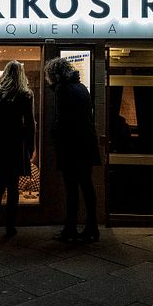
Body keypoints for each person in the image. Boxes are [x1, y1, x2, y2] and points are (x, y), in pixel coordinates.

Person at [44, 57, 102, 242]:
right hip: (87, 143)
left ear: (54, 74)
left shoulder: (62, 88)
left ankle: (70, 229)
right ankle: (92, 227)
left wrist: (54, 136)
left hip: (71, 145)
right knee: (86, 185)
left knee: (71, 189)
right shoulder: (82, 87)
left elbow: (61, 119)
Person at [0, 60, 35, 243]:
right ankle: (10, 227)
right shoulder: (25, 94)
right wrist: (30, 147)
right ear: (20, 74)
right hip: (15, 145)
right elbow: (29, 124)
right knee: (12, 188)